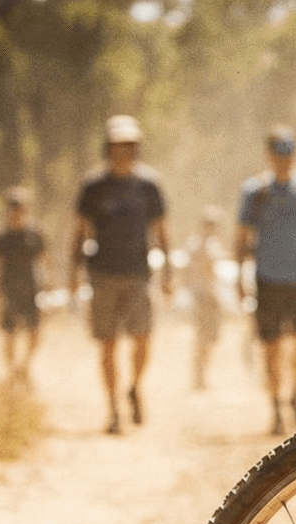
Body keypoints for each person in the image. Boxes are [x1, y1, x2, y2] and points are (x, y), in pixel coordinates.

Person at [71, 114, 171, 434]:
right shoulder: (93, 187)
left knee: (143, 338)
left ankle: (134, 388)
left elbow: (161, 231)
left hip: (139, 273)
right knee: (108, 344)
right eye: (118, 146)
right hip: (102, 274)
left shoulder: (149, 186)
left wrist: (169, 272)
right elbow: (79, 232)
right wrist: (72, 272)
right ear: (109, 147)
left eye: (129, 145)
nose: (123, 151)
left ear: (137, 148)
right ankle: (113, 408)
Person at [236, 127, 296, 435]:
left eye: (289, 154)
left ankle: (295, 394)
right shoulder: (255, 192)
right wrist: (239, 277)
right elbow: (241, 237)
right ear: (268, 156)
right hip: (268, 281)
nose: (284, 161)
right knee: (272, 349)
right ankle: (276, 406)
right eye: (278, 155)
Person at [0, 188, 48, 384]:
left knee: (35, 333)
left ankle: (24, 366)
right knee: (10, 334)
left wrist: (48, 285)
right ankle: (12, 371)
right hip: (9, 291)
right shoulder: (1, 236)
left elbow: (45, 259)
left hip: (31, 289)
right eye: (13, 208)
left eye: (20, 208)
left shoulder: (34, 233)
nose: (17, 212)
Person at [185, 206, 225, 391]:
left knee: (202, 339)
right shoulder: (209, 245)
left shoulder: (192, 243)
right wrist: (215, 298)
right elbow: (209, 273)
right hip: (206, 298)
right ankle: (200, 377)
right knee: (205, 339)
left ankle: (199, 376)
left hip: (196, 297)